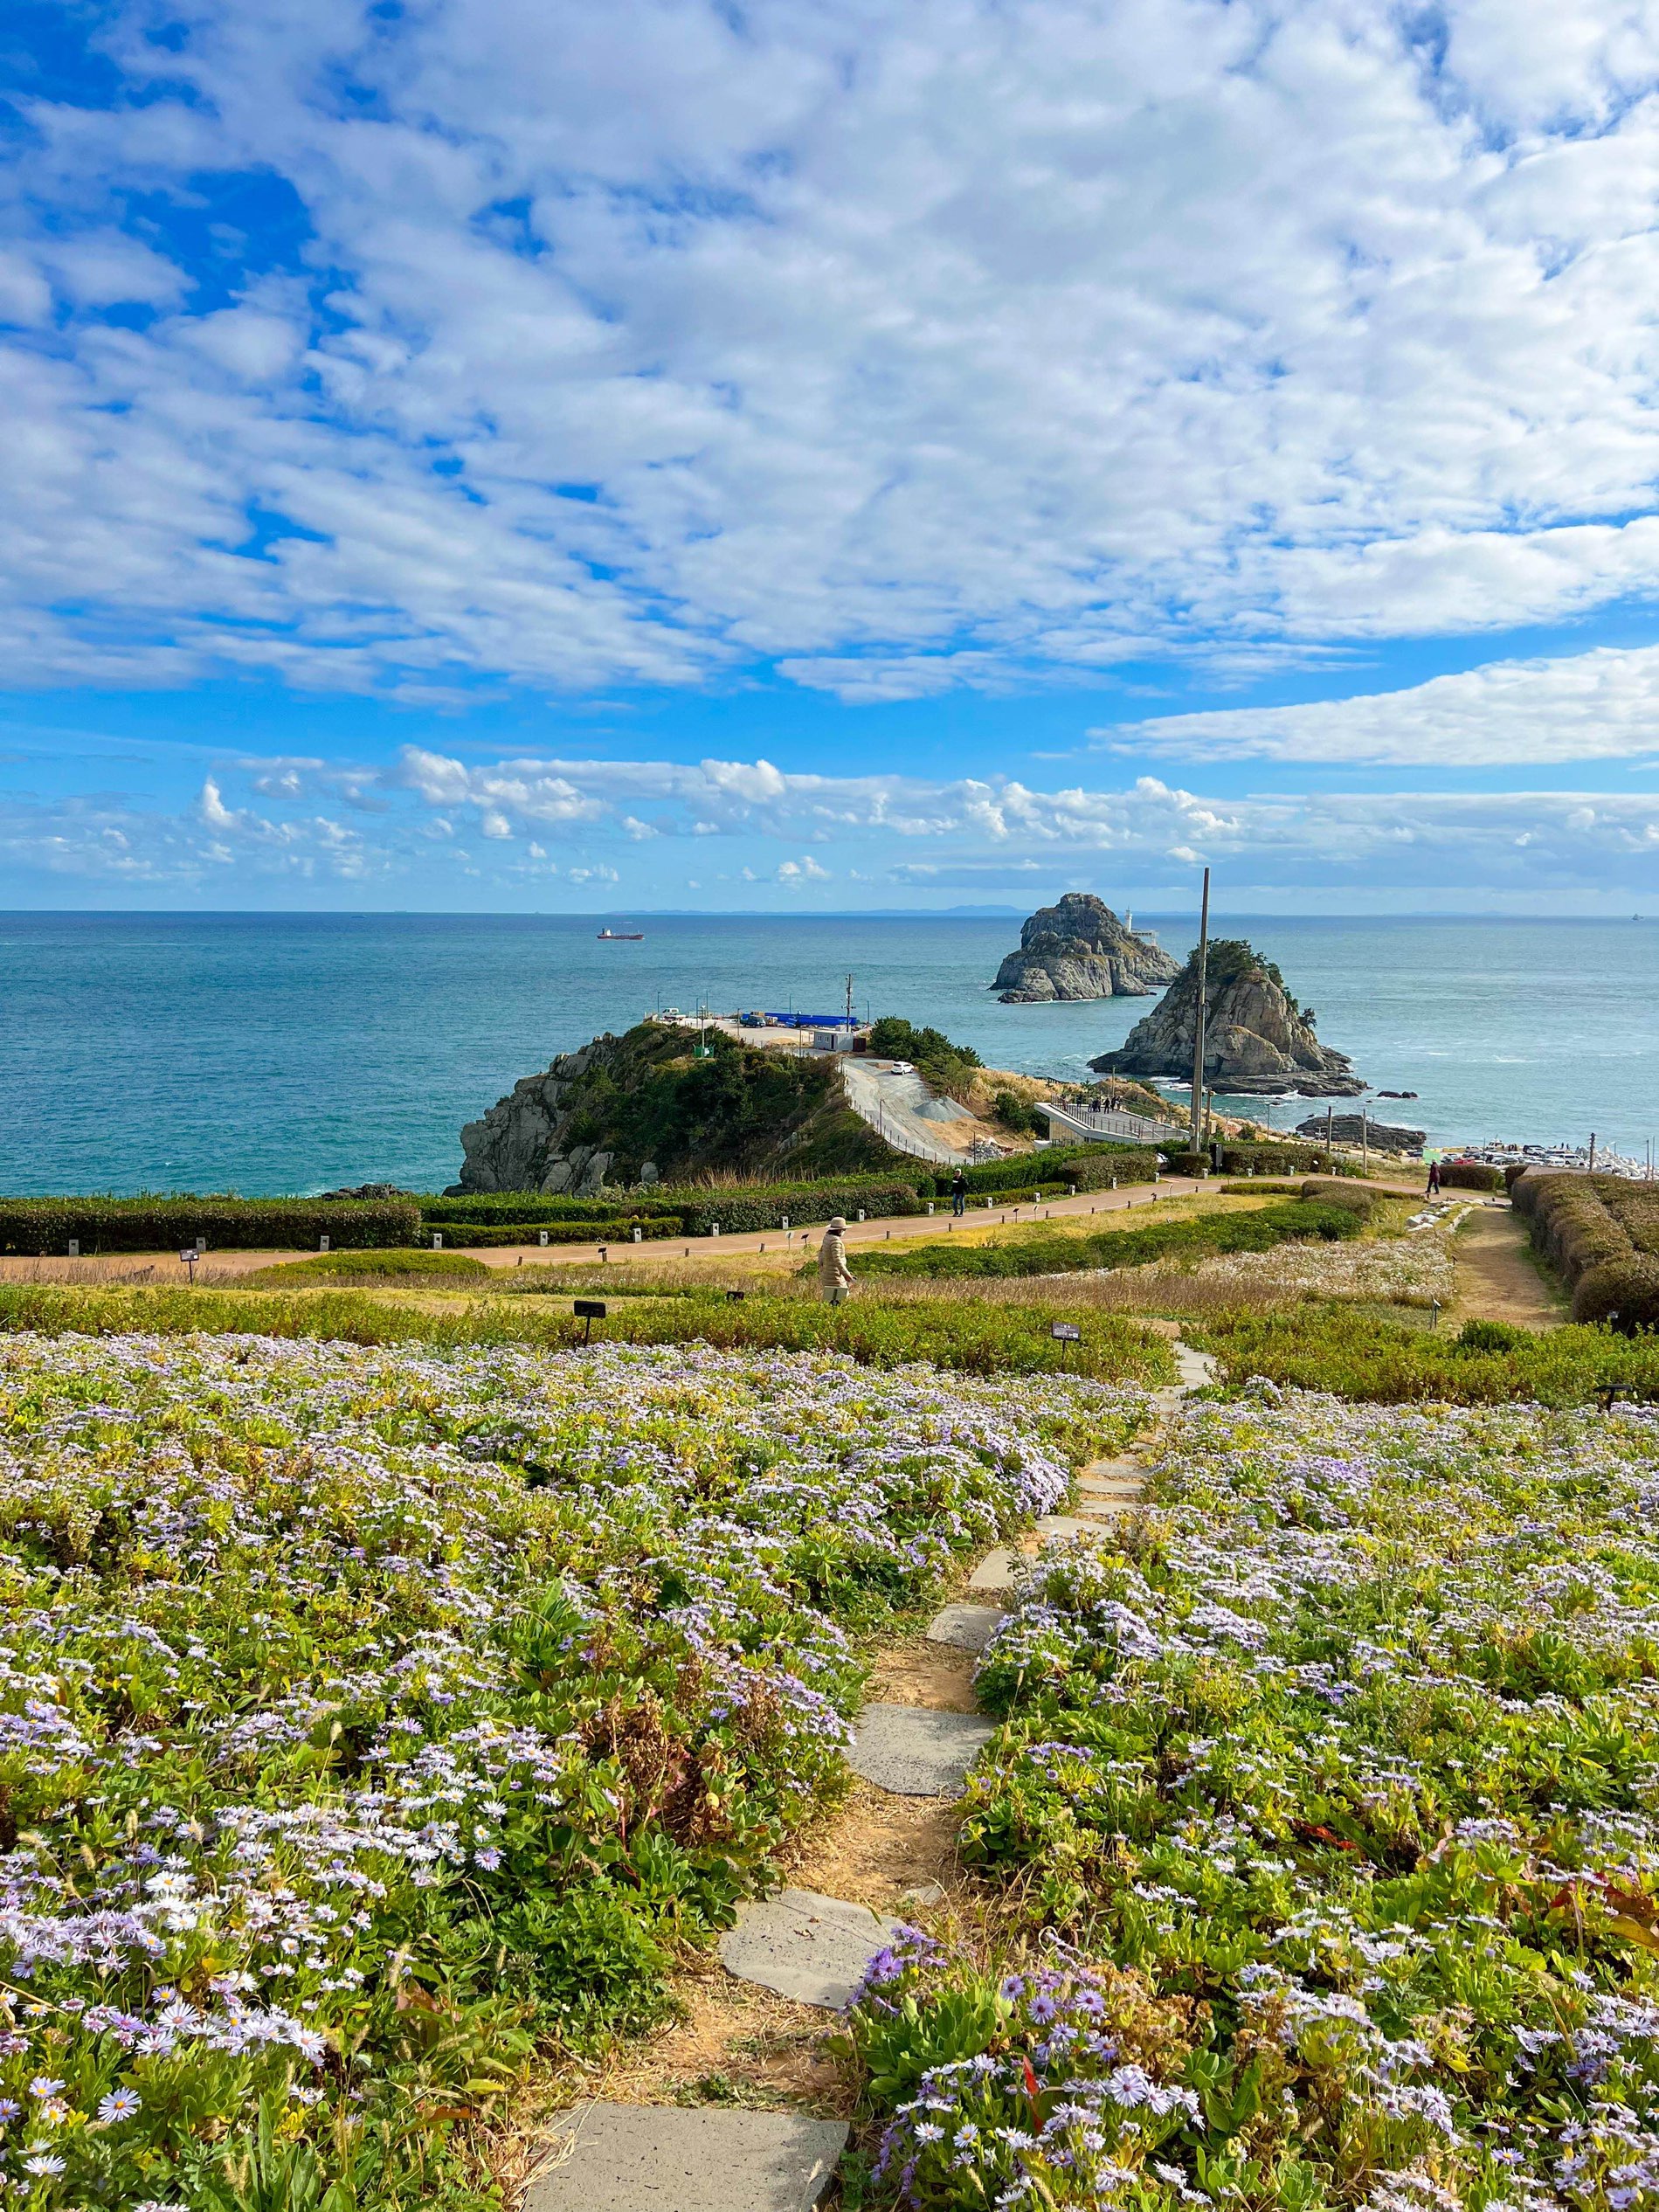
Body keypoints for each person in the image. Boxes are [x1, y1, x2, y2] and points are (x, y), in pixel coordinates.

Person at [817, 1215, 853, 1305]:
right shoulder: (836, 1241)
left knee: (831, 1298)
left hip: (827, 1273)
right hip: (835, 1275)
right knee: (840, 1298)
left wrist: (821, 1266)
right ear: (840, 1230)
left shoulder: (827, 1237)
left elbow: (821, 1252)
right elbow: (837, 1260)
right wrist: (846, 1274)